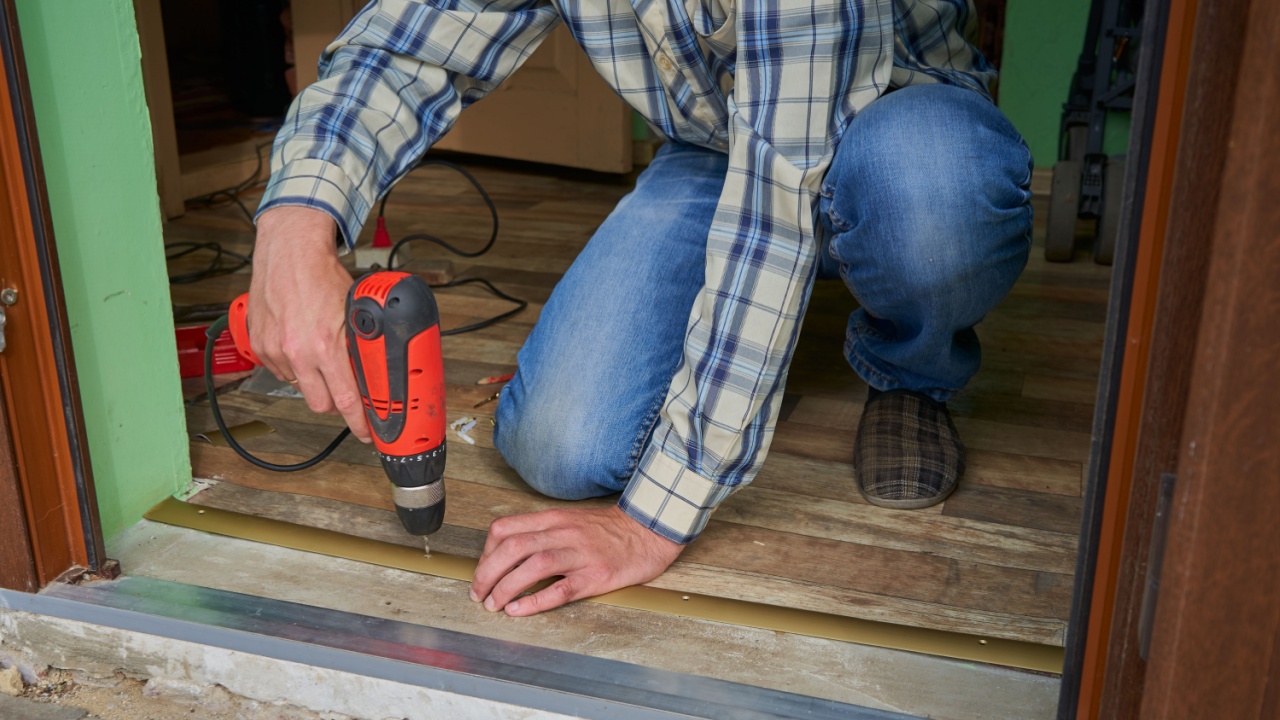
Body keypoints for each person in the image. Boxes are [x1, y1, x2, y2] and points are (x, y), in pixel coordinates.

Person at [247, 0, 1033, 618]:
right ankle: (755, 364)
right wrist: (295, 222)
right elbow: (406, 45)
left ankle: (911, 371)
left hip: (907, 134)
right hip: (721, 146)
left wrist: (650, 523)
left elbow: (773, 213)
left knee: (932, 202)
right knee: (559, 447)